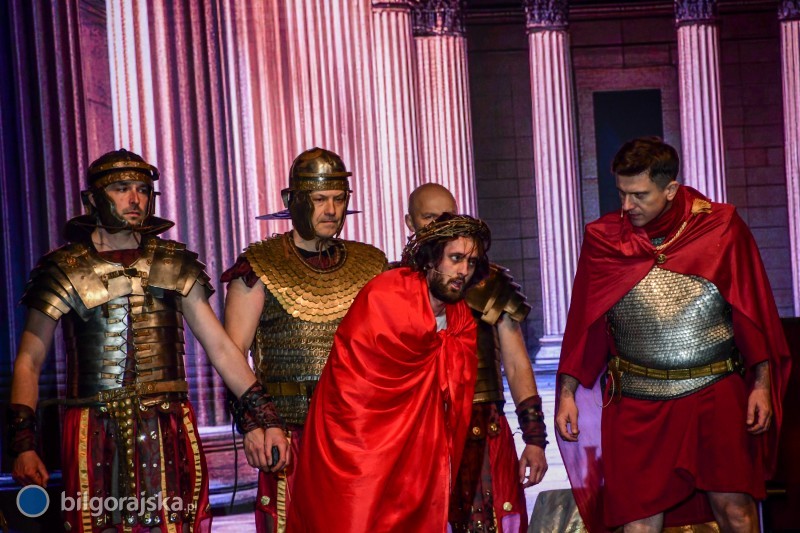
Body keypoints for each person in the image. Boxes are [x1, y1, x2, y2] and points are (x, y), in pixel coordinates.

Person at [7, 149, 283, 532]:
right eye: (121, 189)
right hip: (94, 427)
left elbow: (220, 348)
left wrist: (265, 417)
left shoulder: (174, 263)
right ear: (93, 199)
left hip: (166, 423)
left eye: (142, 189)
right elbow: (29, 361)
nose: (135, 199)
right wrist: (23, 444)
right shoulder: (63, 269)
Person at [555, 137, 790, 532]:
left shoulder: (720, 227)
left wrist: (761, 384)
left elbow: (751, 312)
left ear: (670, 189)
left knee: (736, 511)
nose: (627, 206)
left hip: (715, 391)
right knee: (637, 523)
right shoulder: (604, 240)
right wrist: (567, 393)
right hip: (637, 400)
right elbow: (586, 322)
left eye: (639, 195)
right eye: (622, 194)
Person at [285, 214, 490, 531]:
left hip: (421, 451)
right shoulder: (386, 295)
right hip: (361, 445)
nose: (463, 270)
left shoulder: (460, 318)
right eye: (456, 258)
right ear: (431, 259)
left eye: (471, 262)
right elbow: (352, 385)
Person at [221, 147, 387, 532]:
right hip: (286, 429)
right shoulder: (260, 265)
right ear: (293, 200)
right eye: (319, 199)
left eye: (339, 199)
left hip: (356, 429)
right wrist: (252, 425)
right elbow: (231, 354)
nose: (331, 210)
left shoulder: (372, 264)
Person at [405, 184, 547, 533]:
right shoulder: (397, 285)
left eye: (448, 217)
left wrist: (534, 437)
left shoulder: (488, 281)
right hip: (418, 431)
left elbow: (516, 363)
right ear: (410, 222)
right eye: (430, 218)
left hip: (484, 425)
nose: (440, 226)